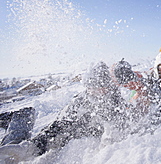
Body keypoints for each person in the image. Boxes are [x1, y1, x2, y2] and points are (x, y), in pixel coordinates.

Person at [0, 61, 133, 161]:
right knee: (57, 125)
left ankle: (29, 150)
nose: (93, 90)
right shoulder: (86, 96)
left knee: (62, 126)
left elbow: (113, 129)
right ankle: (30, 146)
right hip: (81, 122)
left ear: (105, 85)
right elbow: (66, 114)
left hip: (93, 128)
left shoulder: (113, 100)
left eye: (97, 86)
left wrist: (102, 152)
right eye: (90, 86)